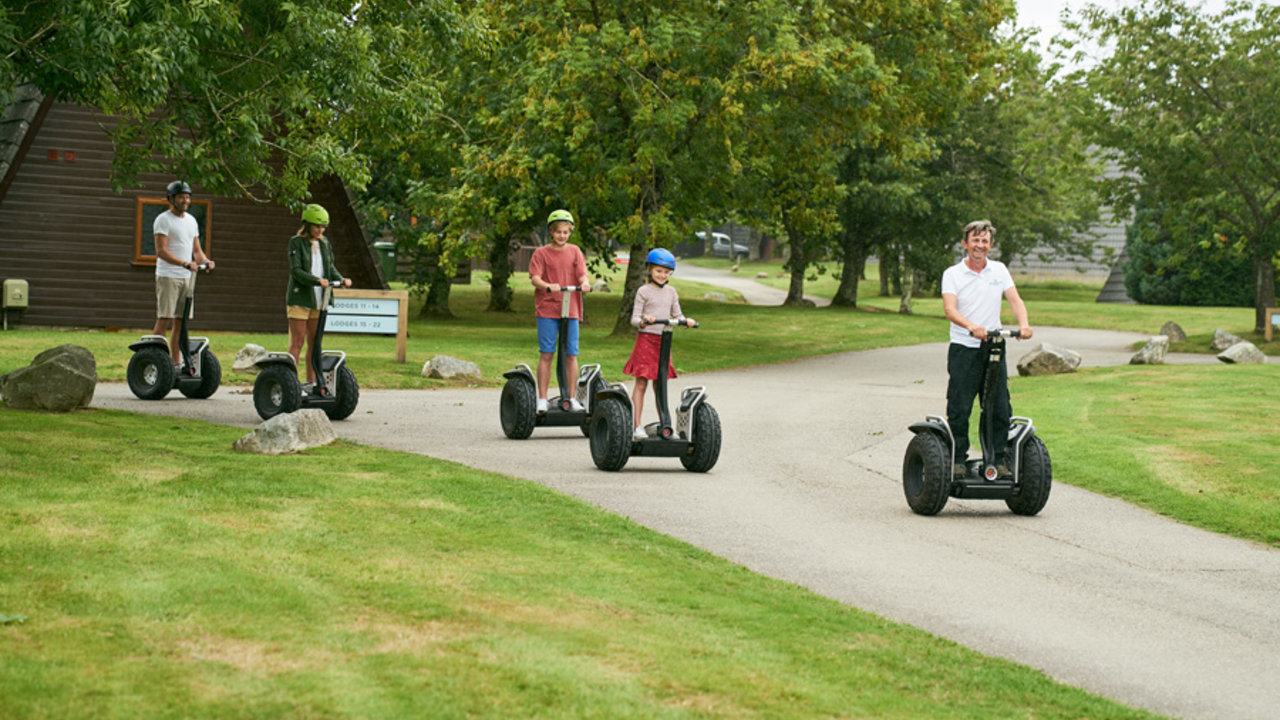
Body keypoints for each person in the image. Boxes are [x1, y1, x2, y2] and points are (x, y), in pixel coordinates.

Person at [940, 219, 1033, 478]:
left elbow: (1015, 300)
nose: (979, 245)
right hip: (964, 348)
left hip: (993, 347)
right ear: (965, 244)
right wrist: (972, 326)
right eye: (975, 240)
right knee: (960, 405)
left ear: (990, 245)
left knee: (999, 406)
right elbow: (950, 309)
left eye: (984, 241)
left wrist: (1024, 325)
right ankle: (958, 459)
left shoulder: (999, 270)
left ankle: (997, 460)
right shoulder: (953, 274)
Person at [625, 248, 695, 440]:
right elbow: (634, 319)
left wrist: (685, 320)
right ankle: (636, 425)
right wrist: (644, 320)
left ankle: (664, 425)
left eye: (666, 272)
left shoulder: (671, 292)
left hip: (664, 342)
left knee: (660, 384)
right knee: (641, 382)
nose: (662, 275)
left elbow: (677, 314)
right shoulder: (643, 291)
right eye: (658, 271)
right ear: (649, 270)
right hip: (646, 340)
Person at [528, 209, 591, 413]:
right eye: (558, 232)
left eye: (566, 232)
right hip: (548, 308)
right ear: (551, 232)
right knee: (547, 353)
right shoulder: (541, 253)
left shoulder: (575, 251)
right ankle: (543, 399)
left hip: (570, 308)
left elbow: (582, 275)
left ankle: (571, 397)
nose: (562, 236)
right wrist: (547, 285)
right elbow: (535, 278)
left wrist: (586, 283)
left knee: (571, 354)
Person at [285, 203, 350, 386]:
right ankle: (290, 381)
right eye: (317, 226)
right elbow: (296, 271)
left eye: (323, 227)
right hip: (300, 299)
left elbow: (329, 268)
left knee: (315, 343)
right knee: (297, 341)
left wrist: (341, 279)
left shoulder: (325, 243)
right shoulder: (296, 242)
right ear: (307, 225)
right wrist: (316, 280)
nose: (320, 230)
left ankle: (312, 382)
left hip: (319, 300)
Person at [152, 180, 214, 368]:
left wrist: (205, 261)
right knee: (165, 318)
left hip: (187, 277)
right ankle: (154, 359)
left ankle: (175, 362)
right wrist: (184, 263)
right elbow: (161, 251)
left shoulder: (191, 221)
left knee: (181, 322)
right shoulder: (163, 220)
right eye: (181, 197)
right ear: (172, 199)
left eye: (187, 197)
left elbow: (196, 250)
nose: (185, 200)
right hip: (168, 276)